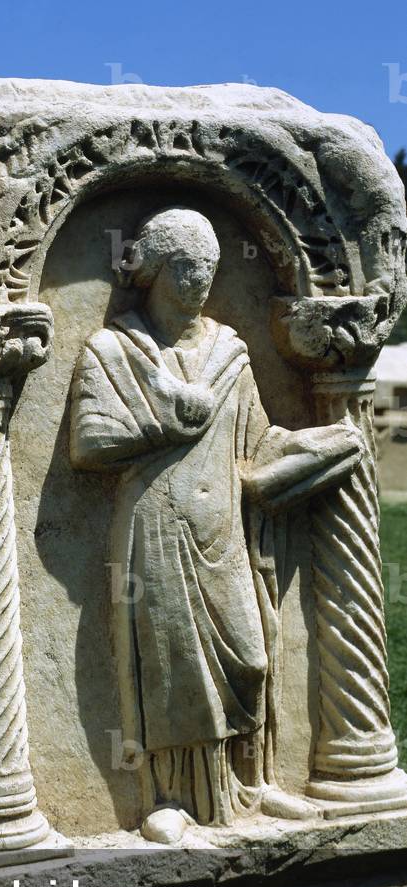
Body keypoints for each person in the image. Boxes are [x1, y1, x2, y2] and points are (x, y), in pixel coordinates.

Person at [70, 207, 364, 829]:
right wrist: (165, 424)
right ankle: (171, 799)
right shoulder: (112, 350)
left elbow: (255, 438)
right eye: (183, 266)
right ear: (150, 271)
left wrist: (317, 445)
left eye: (207, 266)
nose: (198, 279)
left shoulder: (229, 350)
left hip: (224, 526)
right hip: (154, 527)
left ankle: (250, 787)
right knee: (170, 665)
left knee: (251, 659)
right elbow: (89, 444)